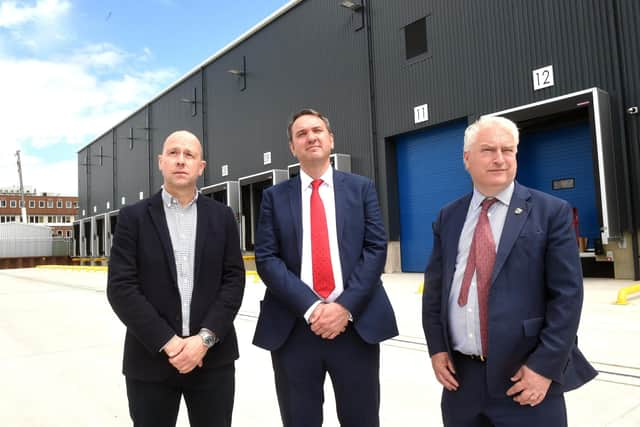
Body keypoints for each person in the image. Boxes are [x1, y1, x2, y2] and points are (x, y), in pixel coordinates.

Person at [422, 115, 597, 426]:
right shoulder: (449, 217)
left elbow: (567, 297)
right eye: (488, 150)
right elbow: (435, 292)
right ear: (467, 158)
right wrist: (437, 349)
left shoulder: (550, 212)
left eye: (508, 150)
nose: (500, 159)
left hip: (525, 379)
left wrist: (544, 368)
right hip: (461, 382)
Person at [253, 109, 398, 427]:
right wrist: (311, 307)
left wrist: (343, 307)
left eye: (317, 130)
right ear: (292, 147)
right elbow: (266, 258)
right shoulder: (274, 198)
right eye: (301, 133)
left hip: (355, 327)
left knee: (361, 419)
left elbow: (375, 249)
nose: (311, 137)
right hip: (295, 328)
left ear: (330, 139)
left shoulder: (362, 189)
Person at [107, 130, 245, 427]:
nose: (181, 160)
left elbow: (233, 281)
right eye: (173, 153)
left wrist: (204, 340)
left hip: (212, 360)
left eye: (189, 155)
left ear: (201, 166)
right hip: (150, 361)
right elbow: (121, 287)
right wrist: (169, 343)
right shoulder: (133, 218)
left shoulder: (222, 217)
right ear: (161, 162)